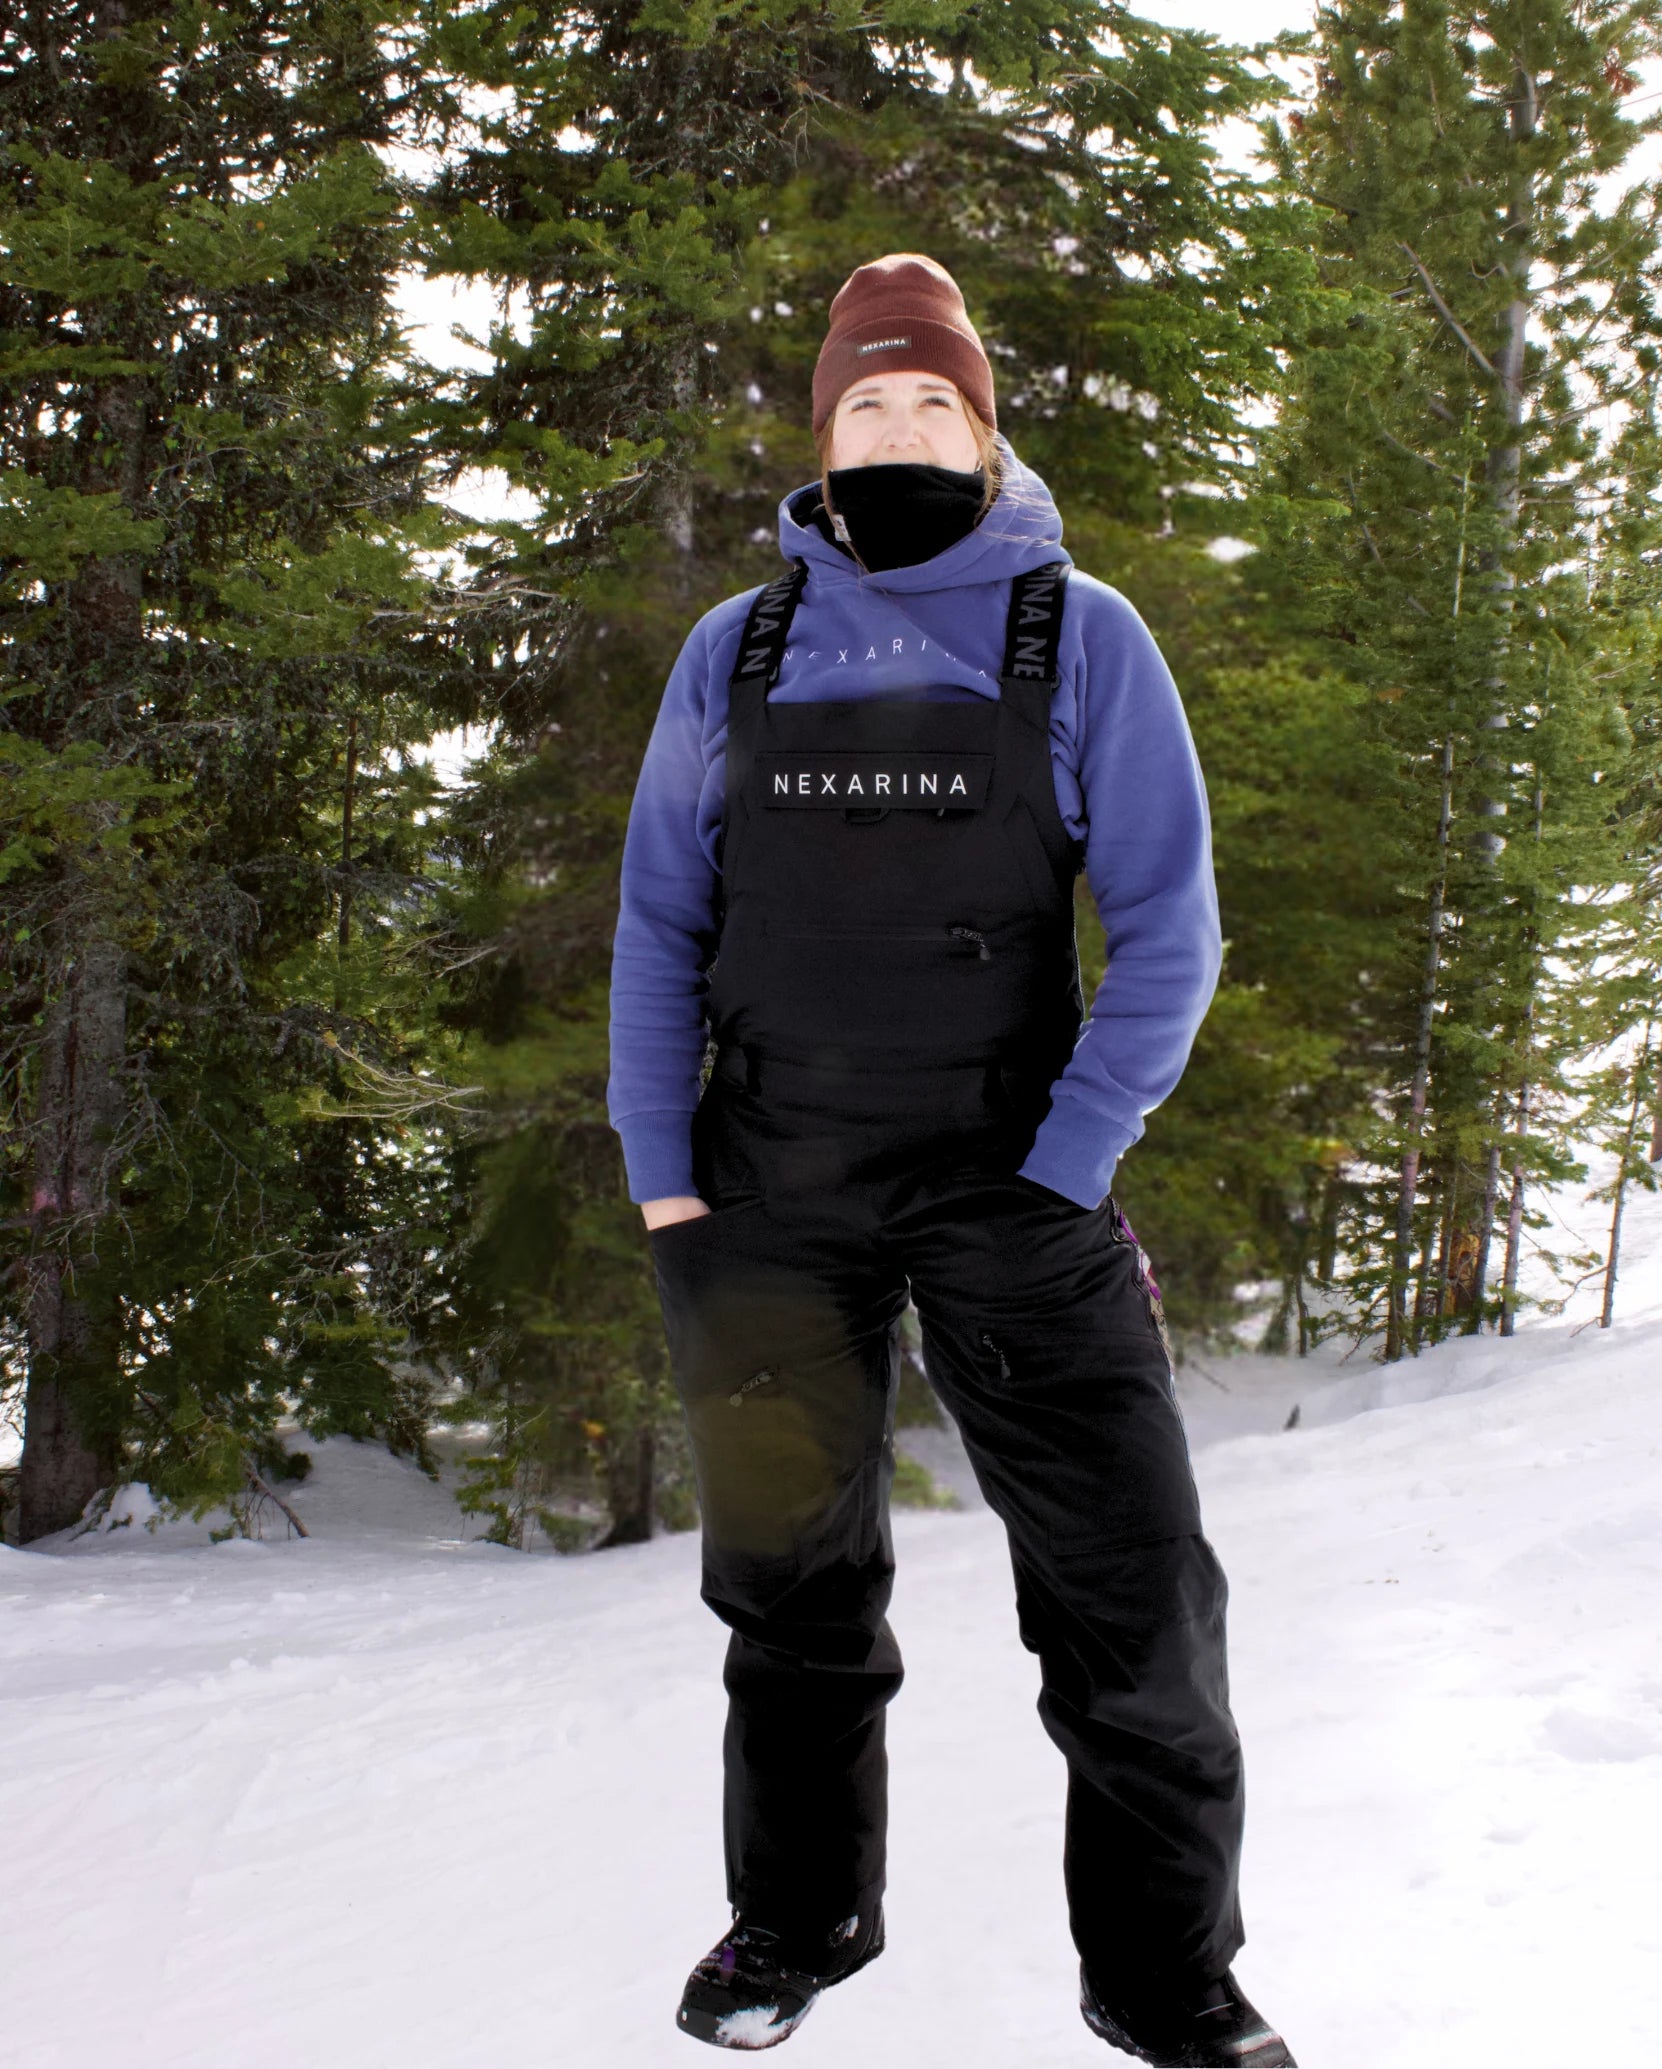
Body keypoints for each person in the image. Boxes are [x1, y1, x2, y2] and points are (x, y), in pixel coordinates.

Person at [608, 253, 1295, 2068]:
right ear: (821, 441)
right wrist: (664, 1167)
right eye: (865, 404)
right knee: (789, 1593)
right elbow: (660, 918)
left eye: (933, 404)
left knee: (1133, 1593)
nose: (898, 428)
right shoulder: (734, 649)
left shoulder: (1082, 634)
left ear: (984, 437)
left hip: (1019, 1189)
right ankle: (798, 1916)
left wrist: (1073, 1162)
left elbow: (1173, 928)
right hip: (768, 1197)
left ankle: (1163, 1970)